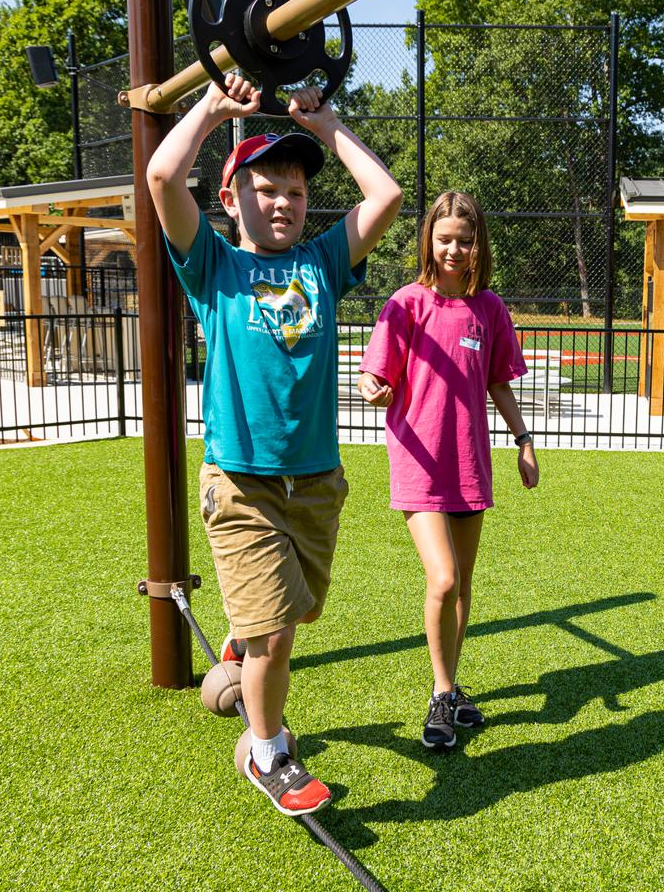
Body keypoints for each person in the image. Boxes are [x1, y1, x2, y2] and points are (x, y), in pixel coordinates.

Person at [146, 71, 402, 816]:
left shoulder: (322, 263)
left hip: (316, 479)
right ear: (230, 200)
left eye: (294, 191)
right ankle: (267, 754)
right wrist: (213, 107)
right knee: (275, 636)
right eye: (264, 189)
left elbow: (383, 199)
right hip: (243, 482)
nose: (283, 202)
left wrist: (327, 128)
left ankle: (243, 635)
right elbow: (164, 174)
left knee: (301, 611)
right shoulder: (214, 267)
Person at [357, 190, 540, 750]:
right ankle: (441, 692)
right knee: (441, 578)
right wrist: (371, 388)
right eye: (444, 239)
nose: (455, 249)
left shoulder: (489, 309)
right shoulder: (407, 303)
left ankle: (451, 686)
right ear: (428, 243)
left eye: (465, 239)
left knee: (462, 586)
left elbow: (497, 383)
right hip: (419, 461)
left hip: (469, 463)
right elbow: (374, 375)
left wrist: (524, 441)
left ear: (478, 243)